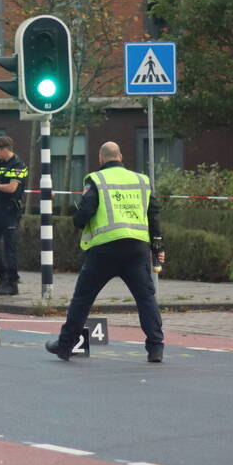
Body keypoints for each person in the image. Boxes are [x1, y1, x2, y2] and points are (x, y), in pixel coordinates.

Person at [45, 141, 166, 363]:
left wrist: (77, 215)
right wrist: (157, 245)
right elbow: (154, 213)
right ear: (120, 156)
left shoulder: (96, 180)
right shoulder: (142, 180)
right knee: (145, 298)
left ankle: (65, 346)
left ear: (101, 159)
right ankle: (156, 348)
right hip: (136, 249)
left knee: (83, 298)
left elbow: (84, 216)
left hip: (104, 250)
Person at [0, 136, 29, 296]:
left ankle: (12, 282)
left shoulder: (19, 166)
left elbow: (12, 188)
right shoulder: (1, 163)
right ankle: (2, 276)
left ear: (5, 149)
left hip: (10, 211)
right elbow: (3, 177)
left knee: (10, 247)